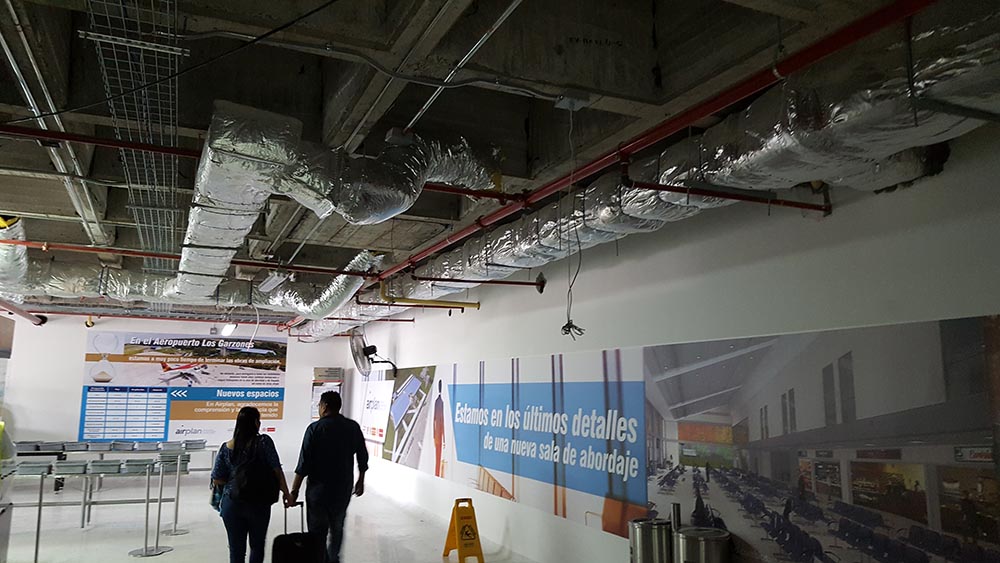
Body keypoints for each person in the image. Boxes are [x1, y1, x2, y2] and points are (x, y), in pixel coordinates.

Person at [289, 391, 369, 563]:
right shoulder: (352, 427)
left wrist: (294, 491)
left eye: (319, 405)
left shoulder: (314, 429)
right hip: (342, 490)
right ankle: (333, 559)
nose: (319, 408)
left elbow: (303, 464)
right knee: (337, 528)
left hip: (318, 492)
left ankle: (321, 559)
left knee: (317, 532)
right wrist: (361, 480)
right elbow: (362, 455)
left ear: (324, 406)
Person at [212, 406, 292, 563]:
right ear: (255, 423)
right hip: (259, 502)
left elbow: (217, 478)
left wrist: (236, 481)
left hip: (232, 503)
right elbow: (276, 469)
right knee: (257, 546)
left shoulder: (226, 447)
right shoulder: (264, 442)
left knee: (236, 550)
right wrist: (286, 493)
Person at [433, 380, 446, 477]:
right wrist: (444, 439)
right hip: (439, 435)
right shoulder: (441, 402)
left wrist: (434, 435)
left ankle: (436, 473)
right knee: (438, 455)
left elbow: (434, 420)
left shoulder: (437, 402)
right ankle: (436, 474)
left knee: (437, 456)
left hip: (437, 435)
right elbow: (442, 421)